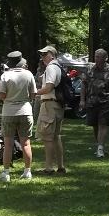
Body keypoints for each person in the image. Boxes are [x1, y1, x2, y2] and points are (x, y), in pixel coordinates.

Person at [0, 51, 37, 182]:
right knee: (26, 143)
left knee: (8, 144)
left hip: (9, 112)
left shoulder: (5, 75)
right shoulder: (29, 74)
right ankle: (27, 171)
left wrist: (7, 97)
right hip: (25, 111)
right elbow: (33, 94)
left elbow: (1, 95)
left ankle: (6, 173)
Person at [81, 48, 109, 158]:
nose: (97, 59)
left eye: (99, 56)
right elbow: (83, 84)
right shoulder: (89, 68)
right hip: (91, 101)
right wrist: (82, 100)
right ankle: (99, 145)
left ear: (105, 58)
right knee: (95, 124)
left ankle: (100, 148)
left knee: (103, 123)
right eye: (96, 56)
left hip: (105, 101)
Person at [34, 45, 66, 174]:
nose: (42, 57)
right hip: (57, 105)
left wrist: (35, 92)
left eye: (45, 54)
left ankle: (48, 168)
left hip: (50, 105)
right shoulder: (58, 67)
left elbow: (49, 87)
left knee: (48, 138)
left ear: (52, 55)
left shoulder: (51, 67)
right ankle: (60, 166)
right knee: (56, 136)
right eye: (41, 54)